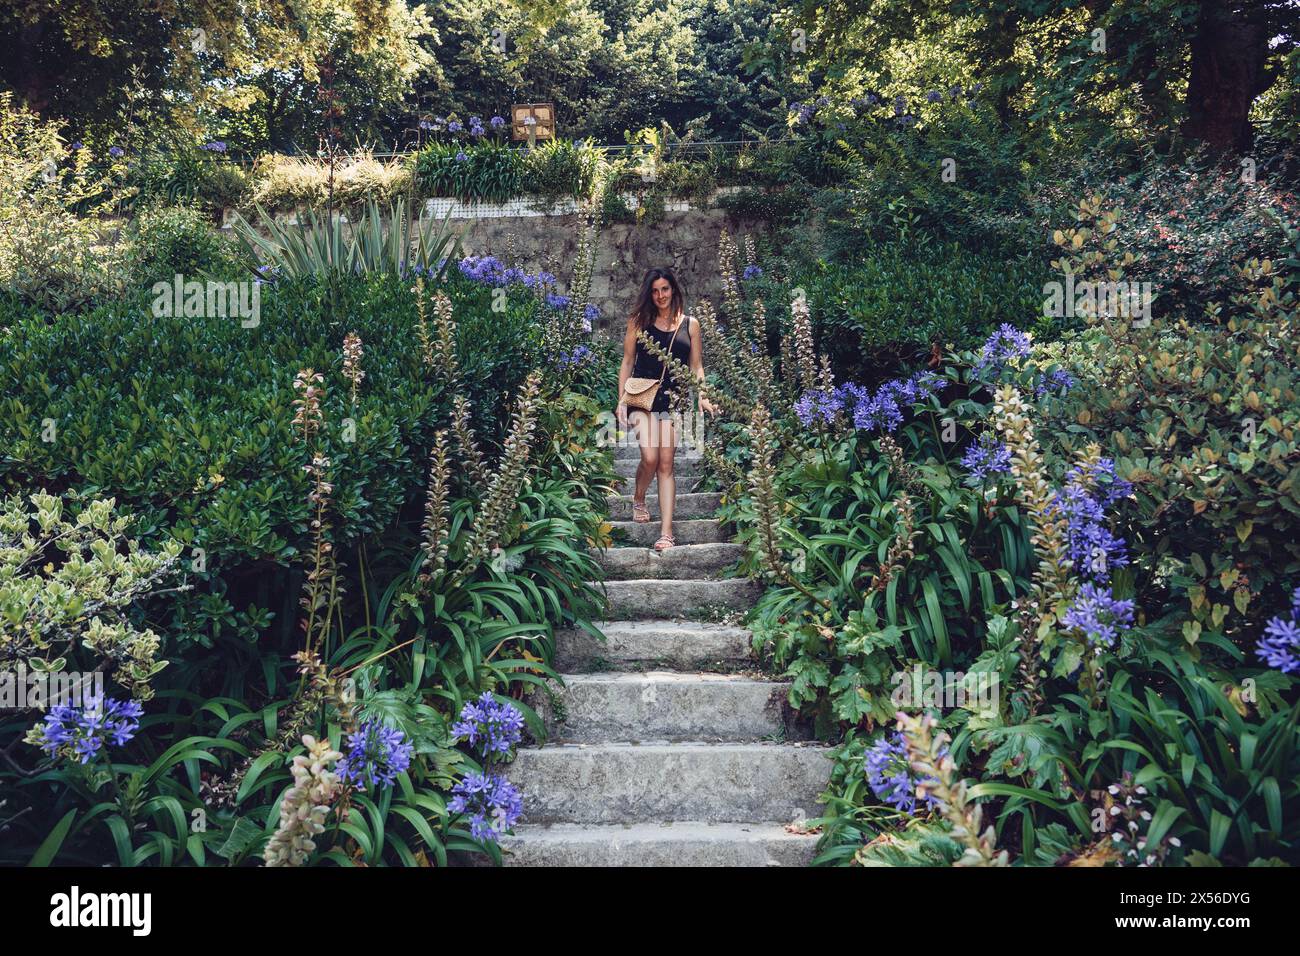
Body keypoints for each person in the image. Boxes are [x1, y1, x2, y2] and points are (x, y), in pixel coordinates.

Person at [616, 267, 718, 551]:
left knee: (666, 463)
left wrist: (703, 396)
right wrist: (621, 400)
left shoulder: (691, 325)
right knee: (649, 457)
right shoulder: (638, 321)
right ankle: (638, 497)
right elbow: (626, 362)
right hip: (641, 396)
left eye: (665, 289)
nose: (661, 295)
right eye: (655, 290)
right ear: (650, 293)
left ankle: (666, 532)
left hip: (675, 400)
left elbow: (696, 366)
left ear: (674, 290)